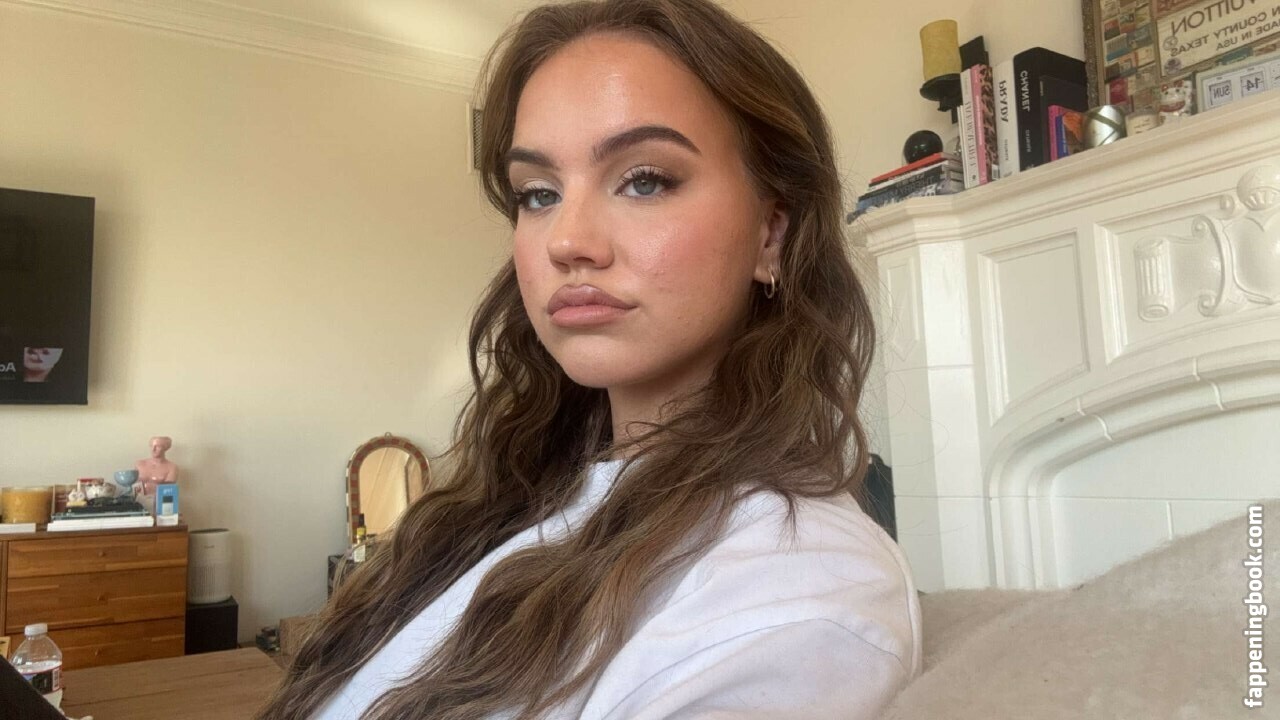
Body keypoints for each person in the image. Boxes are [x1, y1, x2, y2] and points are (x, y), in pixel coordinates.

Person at [260, 1, 921, 718]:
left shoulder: (799, 592)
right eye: (538, 194)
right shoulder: (514, 502)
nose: (566, 241)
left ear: (771, 233)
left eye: (645, 180)